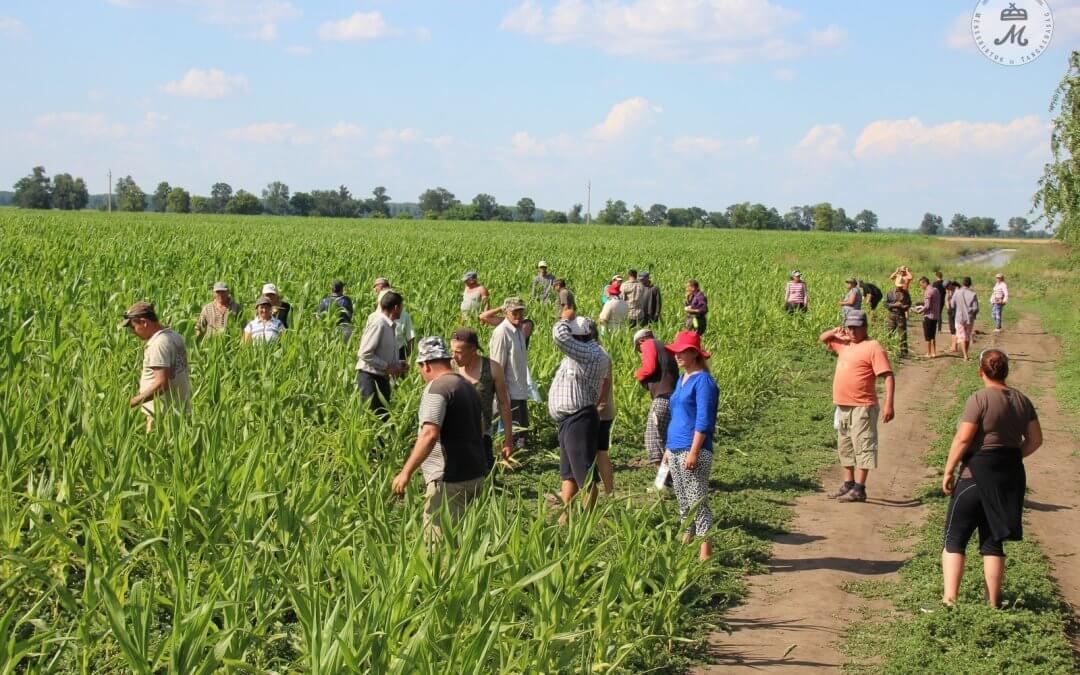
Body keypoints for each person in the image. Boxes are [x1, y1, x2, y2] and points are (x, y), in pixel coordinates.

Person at [940, 349, 1042, 608]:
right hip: (1009, 478)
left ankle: (950, 601)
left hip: (975, 475)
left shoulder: (980, 399)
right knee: (993, 541)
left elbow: (964, 438)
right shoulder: (1022, 400)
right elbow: (1035, 440)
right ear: (1006, 371)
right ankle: (994, 604)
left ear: (981, 372)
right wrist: (1009, 457)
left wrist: (949, 470)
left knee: (954, 539)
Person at [391, 336, 490, 541]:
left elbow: (429, 434)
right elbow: (481, 427)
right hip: (475, 475)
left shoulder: (437, 388)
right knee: (465, 542)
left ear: (425, 365)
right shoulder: (468, 386)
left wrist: (405, 472)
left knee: (438, 545)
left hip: (448, 479)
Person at [820, 310, 896, 503]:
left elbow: (888, 376)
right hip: (843, 405)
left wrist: (889, 404)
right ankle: (848, 483)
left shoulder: (873, 347)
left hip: (863, 406)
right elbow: (823, 338)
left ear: (865, 327)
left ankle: (860, 488)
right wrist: (836, 332)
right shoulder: (845, 344)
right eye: (850, 327)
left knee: (863, 445)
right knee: (845, 445)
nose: (853, 331)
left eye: (857, 327)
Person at [663, 330, 719, 561]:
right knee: (683, 501)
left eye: (682, 351)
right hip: (676, 447)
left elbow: (704, 419)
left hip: (693, 448)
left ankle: (706, 552)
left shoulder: (703, 381)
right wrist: (668, 448)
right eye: (676, 351)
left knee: (697, 500)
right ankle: (686, 545)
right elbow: (677, 415)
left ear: (695, 354)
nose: (677, 355)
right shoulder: (681, 379)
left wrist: (694, 451)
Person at [549, 309, 609, 513]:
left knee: (585, 475)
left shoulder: (590, 353)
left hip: (579, 419)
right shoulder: (583, 353)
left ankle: (588, 520)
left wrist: (565, 319)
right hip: (570, 420)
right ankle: (565, 518)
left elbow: (560, 337)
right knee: (569, 475)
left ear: (581, 337)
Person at [121, 301, 191, 433]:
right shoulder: (174, 336)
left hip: (161, 415)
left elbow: (161, 385)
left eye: (133, 327)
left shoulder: (158, 344)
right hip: (180, 409)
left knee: (156, 444)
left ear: (144, 322)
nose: (133, 332)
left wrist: (132, 402)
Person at [450, 327, 513, 470]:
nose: (454, 356)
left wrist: (509, 439)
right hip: (454, 437)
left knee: (485, 475)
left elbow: (503, 403)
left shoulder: (492, 368)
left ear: (473, 350)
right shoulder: (450, 368)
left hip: (482, 436)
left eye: (458, 352)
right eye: (452, 351)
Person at [489, 297, 532, 451]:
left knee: (519, 434)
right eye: (515, 312)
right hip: (508, 392)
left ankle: (517, 456)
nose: (518, 315)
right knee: (507, 434)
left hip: (519, 390)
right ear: (506, 312)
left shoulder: (519, 330)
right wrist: (502, 392)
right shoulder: (502, 332)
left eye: (521, 312)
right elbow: (497, 365)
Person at [356, 290, 407, 417]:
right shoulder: (379, 323)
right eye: (401, 307)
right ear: (396, 307)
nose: (402, 310)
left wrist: (398, 364)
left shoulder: (389, 325)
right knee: (372, 418)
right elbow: (364, 353)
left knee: (383, 418)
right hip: (370, 379)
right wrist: (387, 367)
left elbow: (382, 352)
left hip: (381, 378)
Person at [634, 328, 678, 467]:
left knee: (653, 440)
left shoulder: (648, 344)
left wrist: (638, 374)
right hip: (673, 397)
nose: (641, 352)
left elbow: (650, 368)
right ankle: (672, 475)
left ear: (640, 341)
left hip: (662, 398)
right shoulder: (664, 347)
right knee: (665, 440)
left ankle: (663, 477)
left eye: (639, 349)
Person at [592, 324, 616, 496]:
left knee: (597, 453)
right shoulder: (602, 353)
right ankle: (609, 492)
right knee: (601, 453)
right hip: (604, 411)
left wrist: (596, 407)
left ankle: (595, 492)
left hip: (598, 412)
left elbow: (603, 384)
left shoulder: (597, 355)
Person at [374, 277, 416, 360]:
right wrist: (408, 357)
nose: (375, 291)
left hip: (387, 351)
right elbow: (411, 337)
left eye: (375, 288)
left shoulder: (377, 315)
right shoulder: (404, 313)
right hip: (397, 350)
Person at [950, 277, 979, 361]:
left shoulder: (957, 292)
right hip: (969, 318)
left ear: (962, 283)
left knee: (961, 336)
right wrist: (972, 313)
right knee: (967, 335)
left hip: (959, 317)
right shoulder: (973, 294)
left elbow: (952, 305)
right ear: (970, 284)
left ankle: (965, 355)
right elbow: (976, 308)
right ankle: (966, 353)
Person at [913, 276, 940, 359]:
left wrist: (919, 311)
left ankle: (929, 353)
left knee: (927, 335)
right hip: (935, 315)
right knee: (933, 335)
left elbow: (927, 306)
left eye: (921, 284)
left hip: (928, 316)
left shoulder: (928, 291)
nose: (921, 286)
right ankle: (934, 353)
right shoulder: (936, 290)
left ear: (925, 283)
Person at [885, 279, 912, 358]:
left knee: (902, 334)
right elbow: (886, 304)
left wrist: (904, 306)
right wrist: (894, 305)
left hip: (901, 315)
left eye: (901, 286)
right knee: (890, 333)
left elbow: (909, 303)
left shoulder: (906, 293)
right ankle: (889, 350)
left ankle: (904, 352)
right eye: (898, 286)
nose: (899, 287)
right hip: (892, 315)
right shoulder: (890, 292)